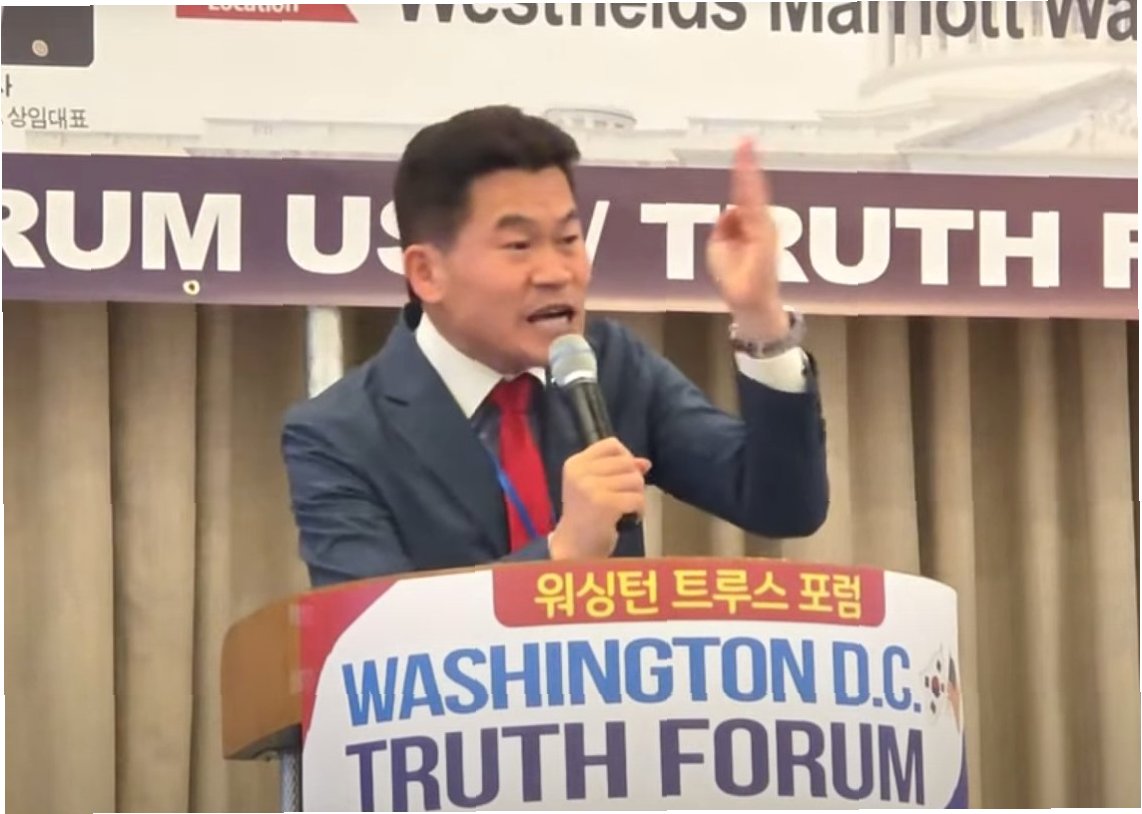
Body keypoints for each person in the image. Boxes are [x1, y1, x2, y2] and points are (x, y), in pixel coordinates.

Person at [281, 105, 829, 588]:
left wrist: (760, 316)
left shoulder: (611, 365)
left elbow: (782, 504)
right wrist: (563, 554)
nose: (557, 272)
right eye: (519, 245)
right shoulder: (339, 435)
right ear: (426, 272)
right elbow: (370, 636)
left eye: (568, 239)